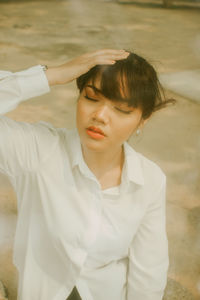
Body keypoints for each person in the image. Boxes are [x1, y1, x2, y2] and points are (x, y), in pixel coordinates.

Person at [0, 49, 173, 300]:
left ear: (142, 121)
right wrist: (52, 75)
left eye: (122, 109)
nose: (100, 116)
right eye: (91, 98)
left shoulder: (149, 180)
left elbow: (149, 270)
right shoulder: (38, 152)